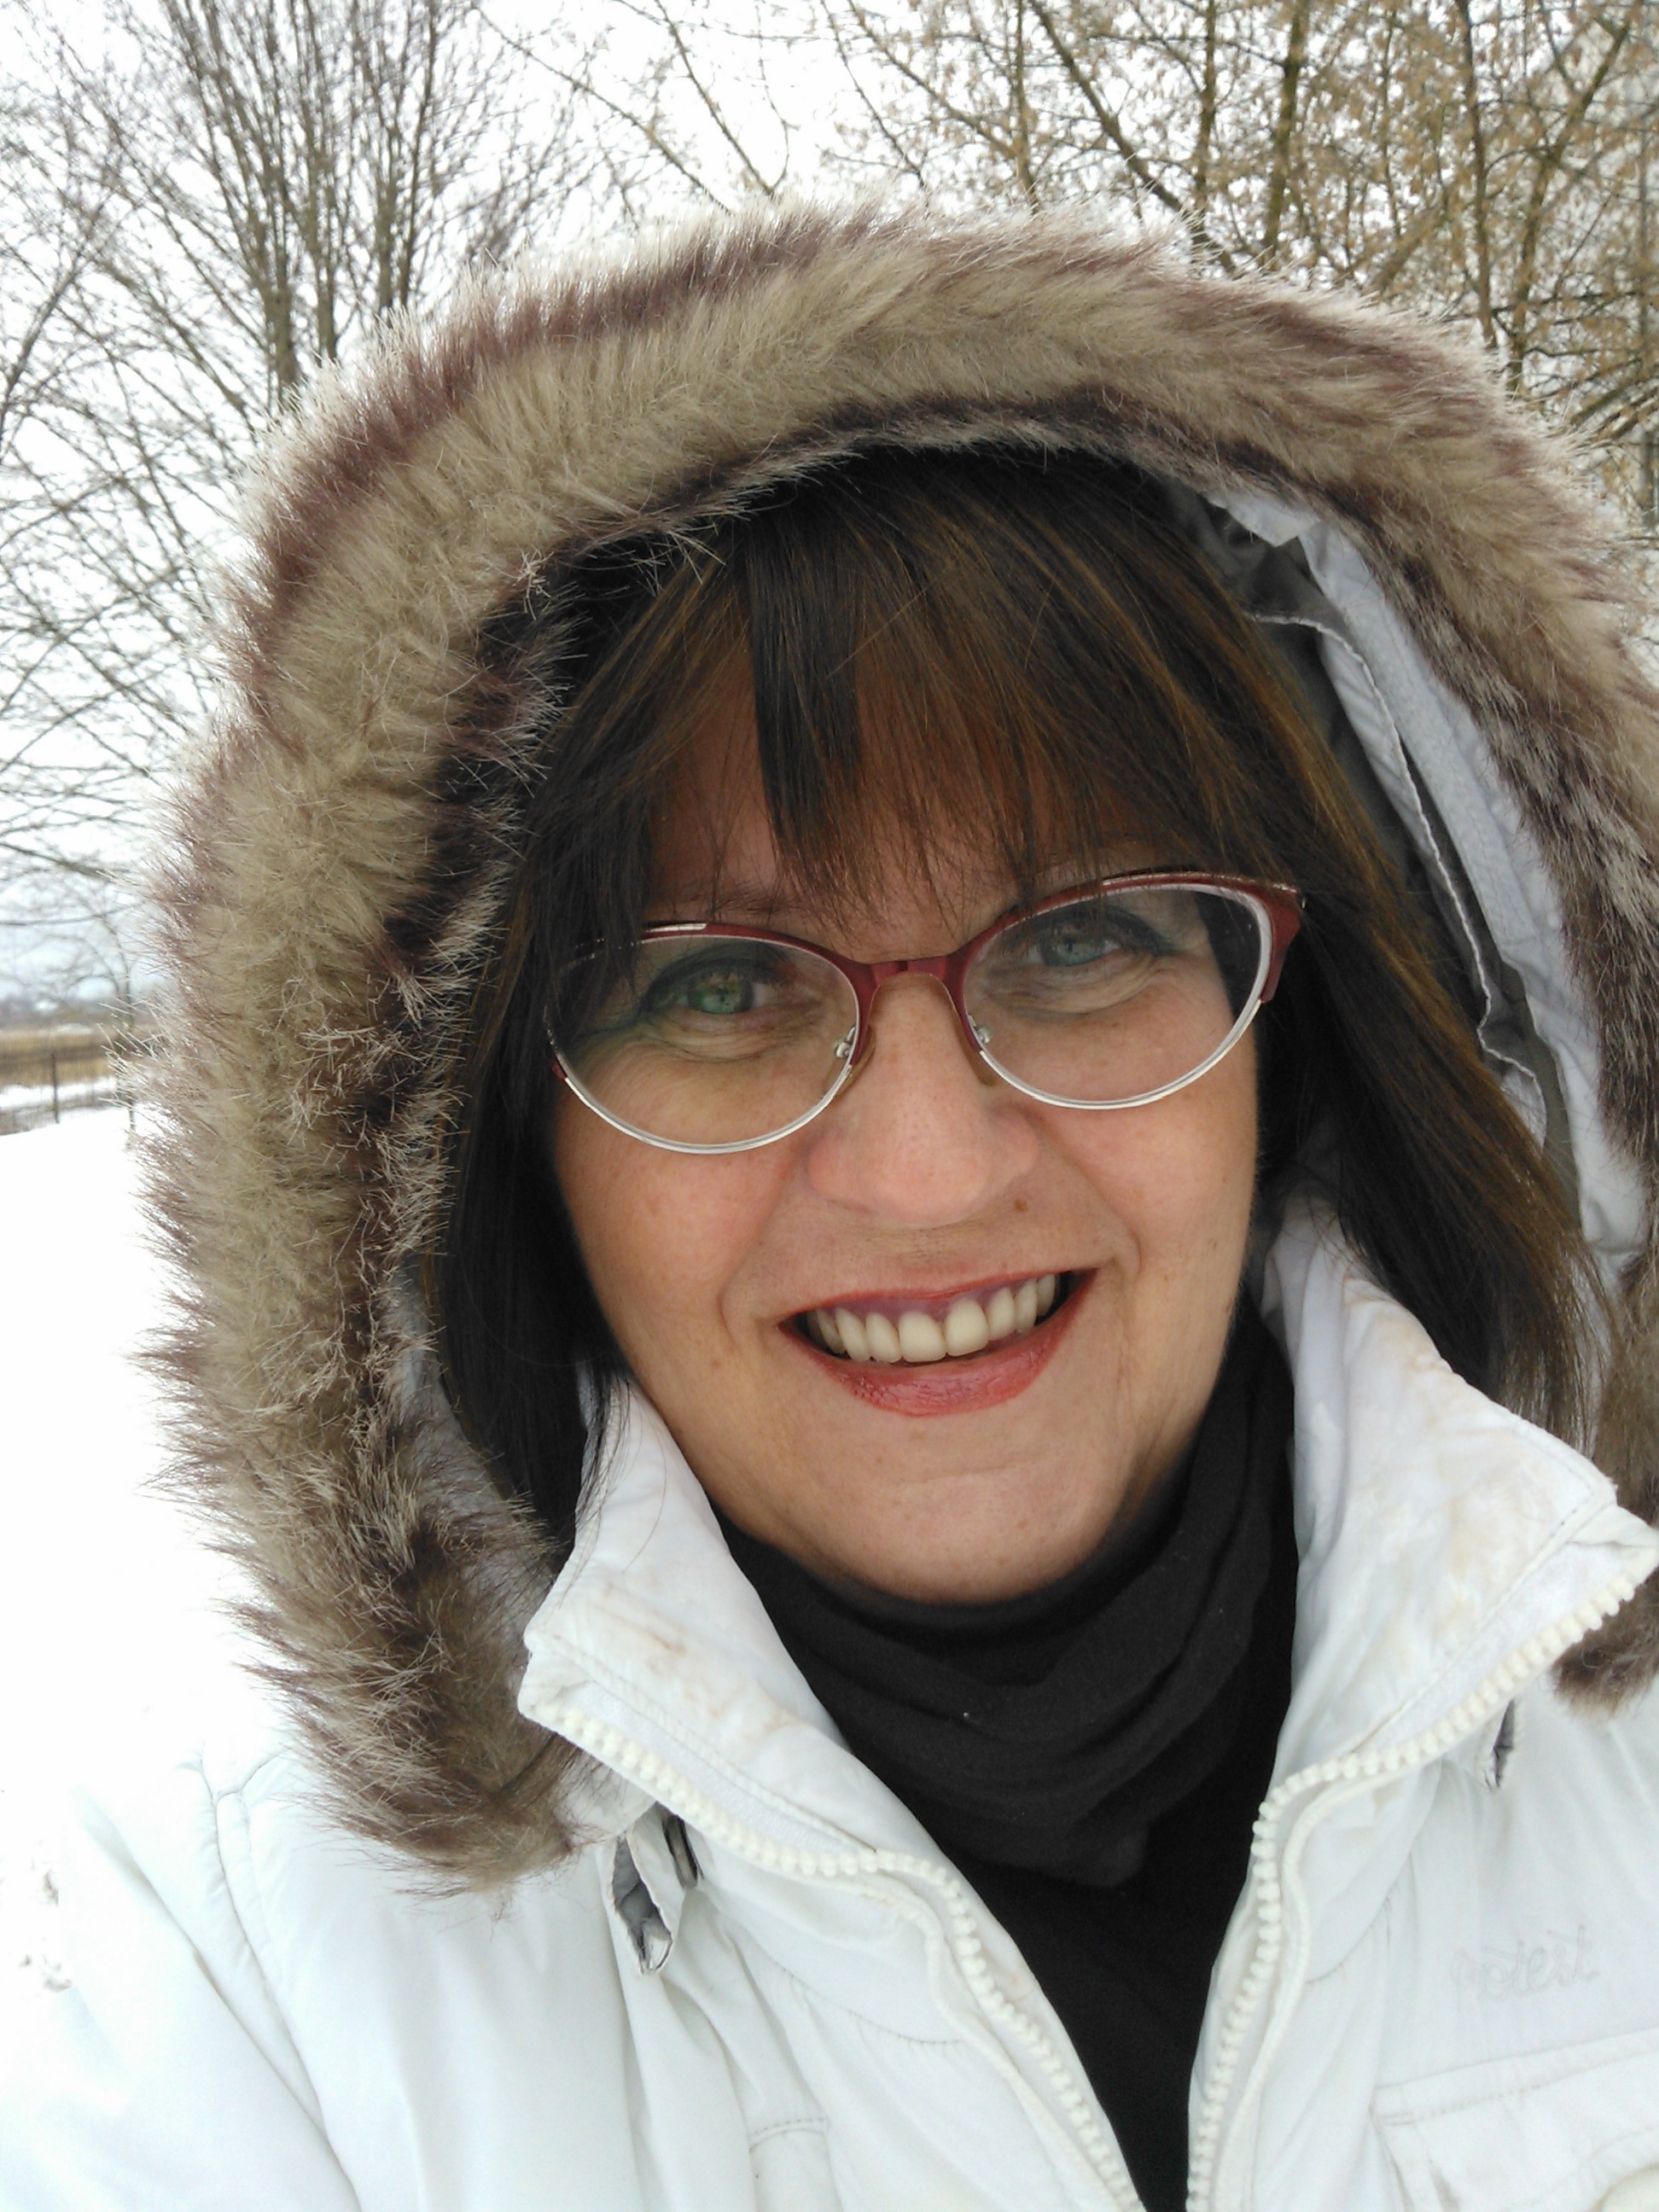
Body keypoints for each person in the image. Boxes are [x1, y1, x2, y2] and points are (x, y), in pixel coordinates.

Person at [5, 202, 1659, 2212]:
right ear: (495, 1140)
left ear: (1283, 1036)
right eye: (718, 986)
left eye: (1085, 940)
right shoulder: (253, 1984)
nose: (931, 1172)